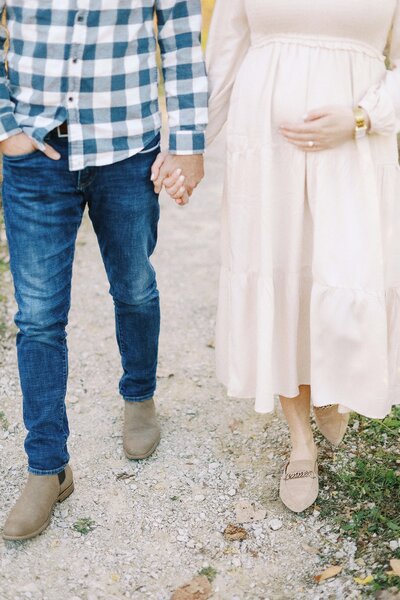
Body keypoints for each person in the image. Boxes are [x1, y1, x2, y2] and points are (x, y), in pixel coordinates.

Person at [164, 0, 400, 513]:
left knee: (345, 269)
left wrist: (363, 117)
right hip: (266, 147)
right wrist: (190, 147)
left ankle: (330, 391)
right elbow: (222, 56)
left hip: (354, 148)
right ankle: (300, 440)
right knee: (280, 272)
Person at [1, 0, 207, 541]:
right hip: (35, 157)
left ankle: (139, 397)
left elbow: (182, 44)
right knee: (39, 317)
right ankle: (48, 467)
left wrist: (188, 147)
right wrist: (4, 127)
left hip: (128, 153)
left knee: (135, 287)